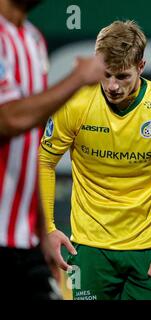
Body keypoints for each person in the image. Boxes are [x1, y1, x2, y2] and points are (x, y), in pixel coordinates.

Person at [39, 20, 151, 300]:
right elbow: (44, 162)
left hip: (150, 252)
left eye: (122, 76)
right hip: (89, 251)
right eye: (106, 74)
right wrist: (48, 229)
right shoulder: (74, 102)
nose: (112, 86)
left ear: (141, 66)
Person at [0, 0, 104, 299]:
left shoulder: (33, 39)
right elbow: (8, 119)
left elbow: (29, 139)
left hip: (24, 240)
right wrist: (77, 79)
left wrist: (43, 231)